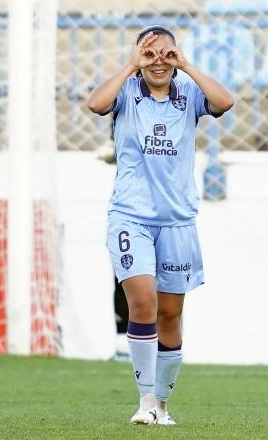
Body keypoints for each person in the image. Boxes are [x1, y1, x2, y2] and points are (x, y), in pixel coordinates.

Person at [87, 25, 234, 425]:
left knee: (170, 314)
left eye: (165, 53)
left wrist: (185, 64)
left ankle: (162, 404)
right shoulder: (126, 92)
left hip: (177, 220)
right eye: (148, 55)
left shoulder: (188, 95)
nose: (158, 62)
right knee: (143, 301)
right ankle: (145, 401)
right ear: (138, 58)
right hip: (131, 215)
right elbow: (95, 104)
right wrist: (131, 64)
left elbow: (225, 101)